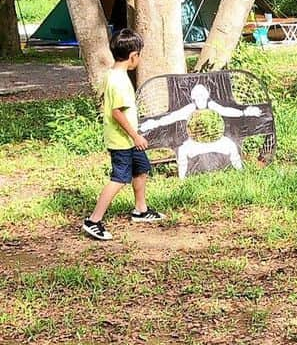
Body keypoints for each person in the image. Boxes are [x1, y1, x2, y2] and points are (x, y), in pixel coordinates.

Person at [82, 29, 163, 241]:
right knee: (119, 178)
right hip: (122, 141)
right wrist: (136, 136)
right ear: (133, 56)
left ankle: (141, 210)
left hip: (127, 139)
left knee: (142, 169)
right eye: (140, 55)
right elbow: (117, 112)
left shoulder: (114, 74)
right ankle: (93, 220)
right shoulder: (118, 81)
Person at [140, 81, 263, 179]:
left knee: (231, 146)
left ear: (207, 96)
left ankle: (241, 174)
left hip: (216, 141)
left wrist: (244, 112)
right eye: (197, 97)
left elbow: (226, 111)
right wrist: (153, 124)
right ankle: (182, 180)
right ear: (193, 98)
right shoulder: (190, 109)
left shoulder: (212, 106)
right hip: (195, 143)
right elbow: (171, 117)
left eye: (202, 96)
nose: (200, 99)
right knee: (182, 151)